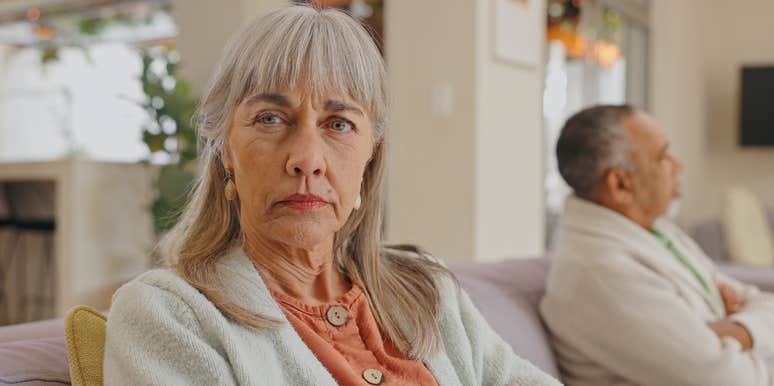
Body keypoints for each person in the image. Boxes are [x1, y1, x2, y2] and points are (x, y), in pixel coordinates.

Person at [103, 5, 559, 386]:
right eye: (270, 119)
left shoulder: (427, 291)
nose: (307, 159)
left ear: (370, 157)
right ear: (225, 149)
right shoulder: (169, 314)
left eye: (339, 124)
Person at [540, 105, 774, 386]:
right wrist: (747, 331)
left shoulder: (656, 230)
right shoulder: (600, 272)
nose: (678, 165)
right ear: (620, 185)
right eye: (662, 156)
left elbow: (761, 301)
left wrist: (734, 331)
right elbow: (732, 380)